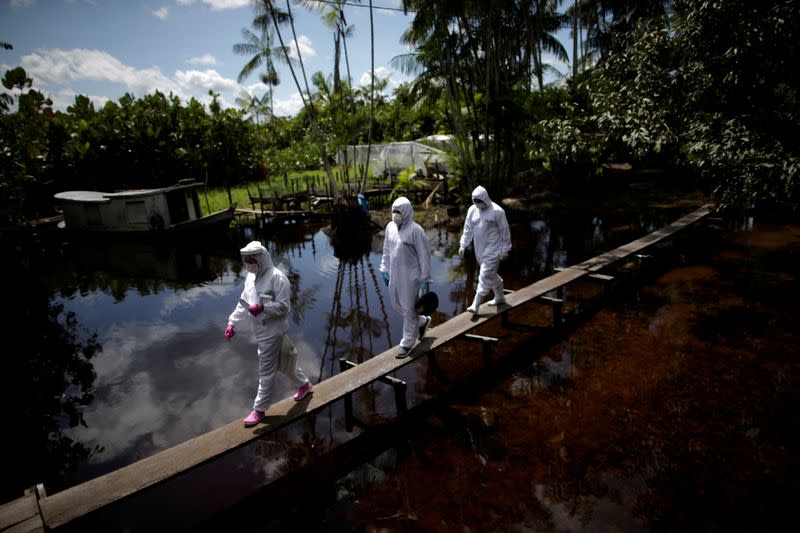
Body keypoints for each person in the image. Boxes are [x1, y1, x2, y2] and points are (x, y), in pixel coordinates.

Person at [224, 241, 313, 427]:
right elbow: (243, 302)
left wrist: (264, 307)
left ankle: (260, 409)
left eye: (251, 259)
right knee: (285, 359)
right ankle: (304, 385)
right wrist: (232, 323)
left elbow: (284, 306)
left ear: (261, 258)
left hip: (272, 331)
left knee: (266, 370)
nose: (248, 263)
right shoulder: (250, 277)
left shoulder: (277, 278)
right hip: (260, 329)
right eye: (245, 260)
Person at [380, 196, 433, 358]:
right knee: (400, 305)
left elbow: (425, 256)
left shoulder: (416, 230)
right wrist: (384, 268)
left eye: (398, 211)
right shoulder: (390, 227)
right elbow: (387, 250)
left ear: (406, 212)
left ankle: (407, 342)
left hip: (412, 277)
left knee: (409, 308)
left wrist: (425, 279)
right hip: (396, 275)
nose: (395, 214)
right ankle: (423, 321)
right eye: (393, 211)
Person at [459, 185, 512, 315]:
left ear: (485, 198)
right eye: (475, 201)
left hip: (493, 249)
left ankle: (475, 304)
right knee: (490, 274)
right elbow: (468, 229)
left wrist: (506, 248)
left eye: (479, 201)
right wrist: (463, 244)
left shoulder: (497, 211)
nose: (477, 204)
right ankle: (499, 297)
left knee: (484, 274)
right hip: (480, 250)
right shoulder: (472, 210)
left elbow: (505, 230)